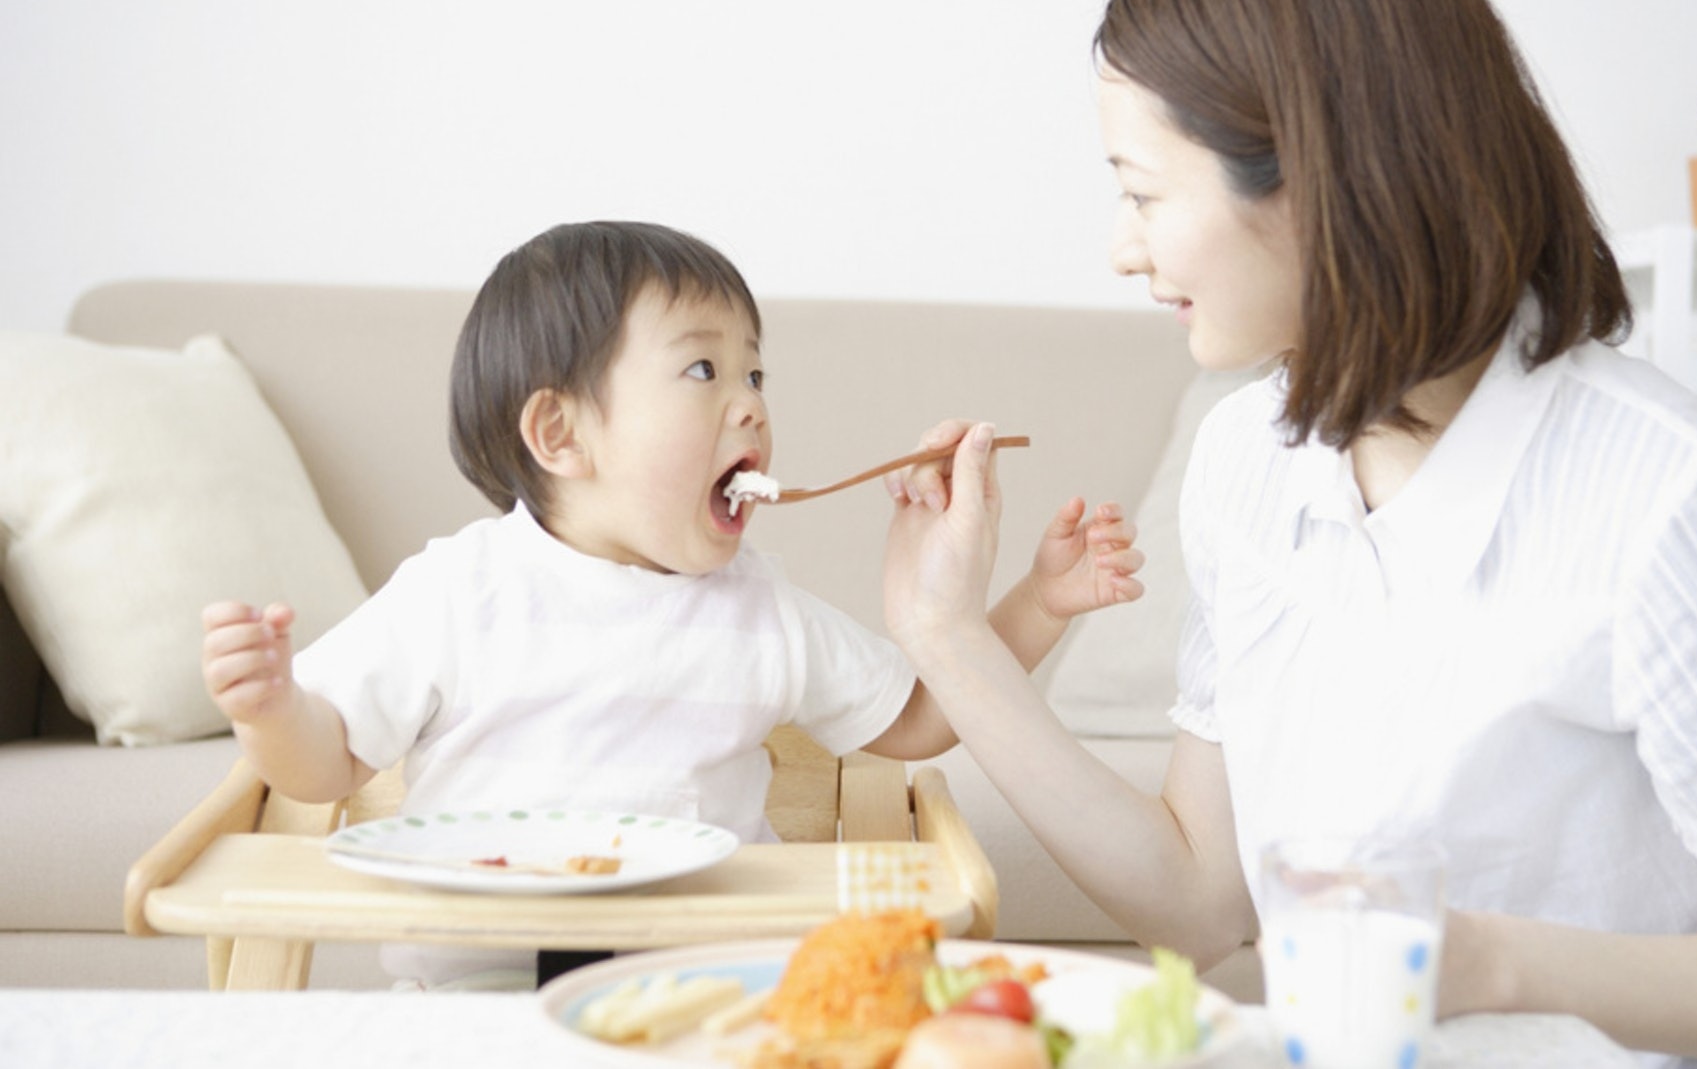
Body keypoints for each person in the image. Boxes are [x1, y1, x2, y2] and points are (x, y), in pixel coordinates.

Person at [879, 0, 1697, 1068]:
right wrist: (947, 633)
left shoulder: (1672, 497)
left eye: (1144, 192)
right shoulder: (1247, 459)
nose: (1120, 247)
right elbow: (1204, 899)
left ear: (1317, 177)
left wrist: (1482, 961)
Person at [200, 219, 1142, 989]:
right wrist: (270, 708)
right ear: (560, 432)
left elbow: (931, 714)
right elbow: (324, 765)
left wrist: (1039, 601)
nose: (751, 406)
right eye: (704, 371)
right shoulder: (460, 591)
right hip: (474, 1000)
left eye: (756, 374)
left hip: (707, 986)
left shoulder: (759, 607)